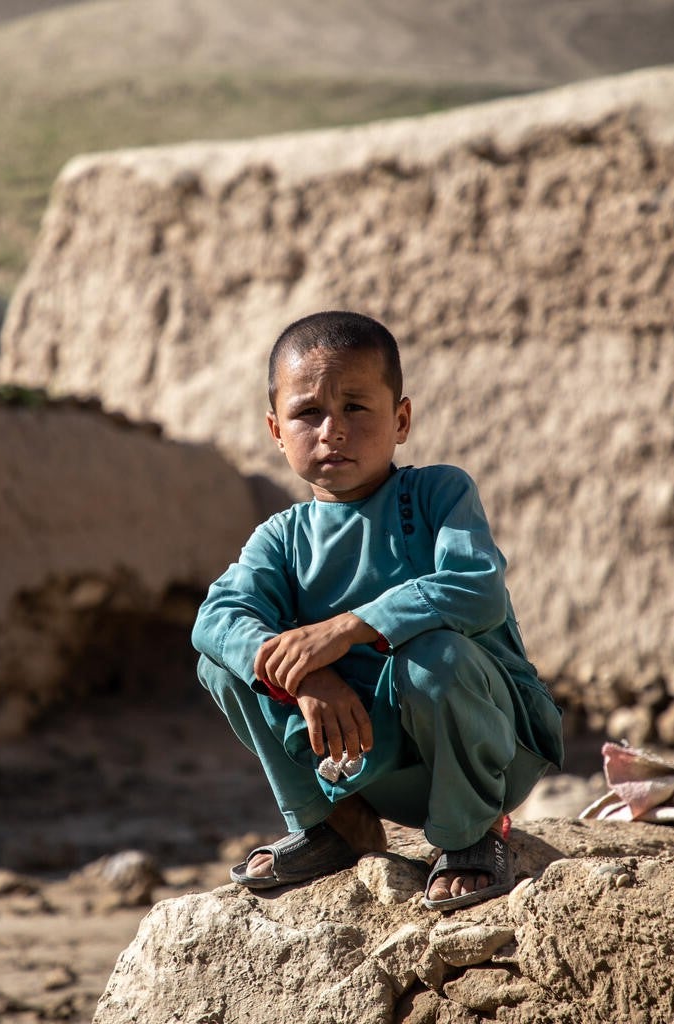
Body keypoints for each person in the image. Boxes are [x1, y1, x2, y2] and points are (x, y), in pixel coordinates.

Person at [192, 310, 564, 911]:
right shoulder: (281, 539)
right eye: (308, 412)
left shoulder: (439, 494)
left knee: (433, 654)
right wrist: (305, 676)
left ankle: (470, 837)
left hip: (487, 746)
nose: (332, 431)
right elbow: (215, 619)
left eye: (356, 408)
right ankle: (330, 827)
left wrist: (343, 632)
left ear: (401, 420)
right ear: (275, 431)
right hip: (369, 765)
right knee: (226, 662)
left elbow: (476, 587)